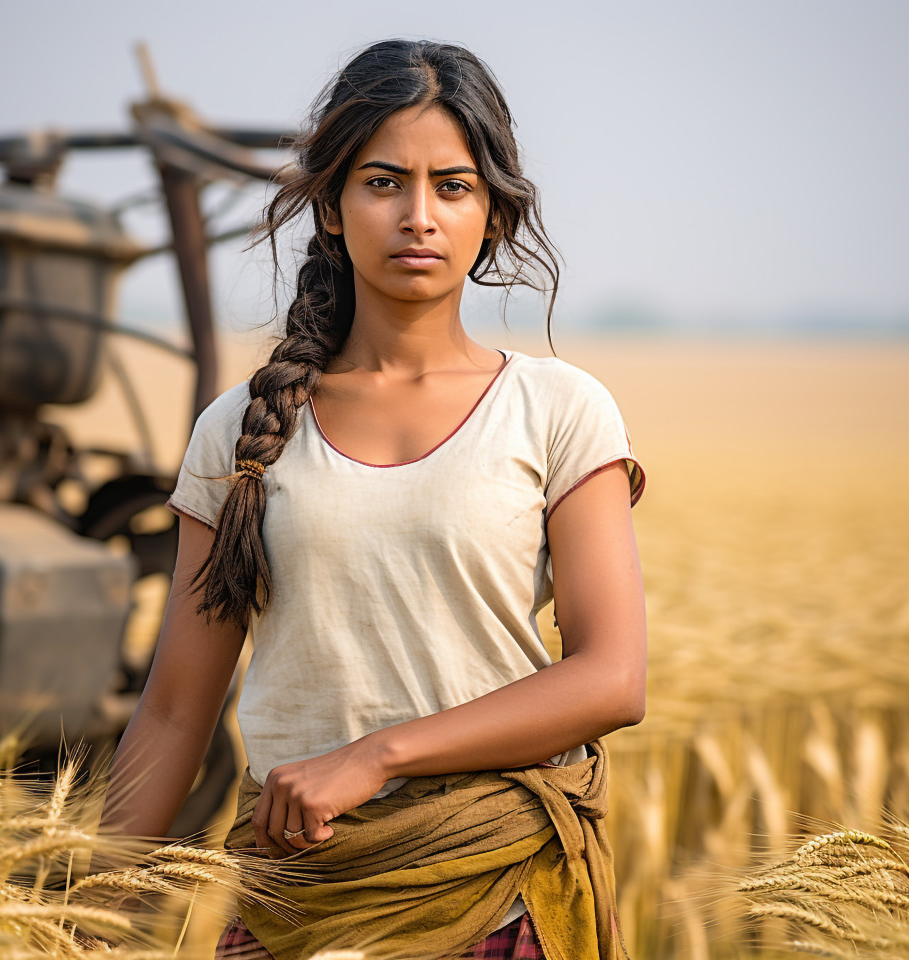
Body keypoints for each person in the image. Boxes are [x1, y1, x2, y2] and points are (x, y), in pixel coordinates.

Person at [101, 38, 647, 960]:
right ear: (330, 205)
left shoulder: (558, 410)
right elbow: (171, 714)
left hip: (498, 901)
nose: (419, 216)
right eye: (384, 181)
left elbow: (611, 678)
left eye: (455, 186)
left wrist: (374, 757)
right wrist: (83, 918)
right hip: (296, 907)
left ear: (495, 214)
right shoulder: (239, 432)